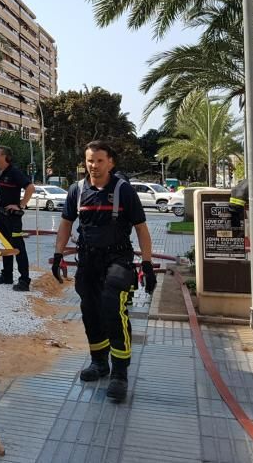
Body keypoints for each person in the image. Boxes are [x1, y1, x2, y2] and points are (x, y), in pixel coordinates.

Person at [51, 140, 156, 404]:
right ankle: (99, 363)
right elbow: (65, 224)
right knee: (90, 309)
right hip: (88, 260)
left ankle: (120, 373)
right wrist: (57, 255)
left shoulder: (124, 191)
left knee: (113, 306)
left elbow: (142, 229)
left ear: (110, 162)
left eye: (99, 160)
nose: (94, 166)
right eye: (89, 160)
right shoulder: (76, 190)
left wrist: (146, 263)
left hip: (118, 258)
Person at [0, 146, 35, 291]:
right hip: (2, 216)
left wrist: (20, 205)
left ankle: (24, 280)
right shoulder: (0, 172)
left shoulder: (14, 172)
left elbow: (30, 188)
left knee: (18, 247)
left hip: (13, 218)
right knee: (5, 245)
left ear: (5, 156)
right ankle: (7, 275)